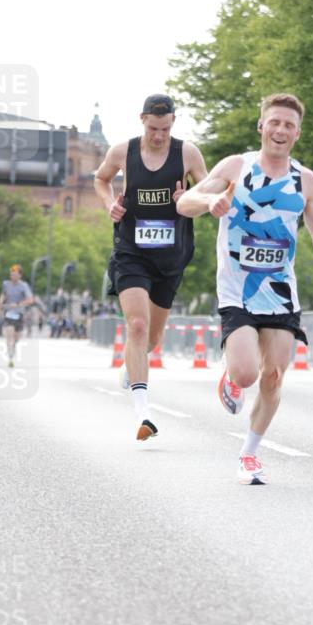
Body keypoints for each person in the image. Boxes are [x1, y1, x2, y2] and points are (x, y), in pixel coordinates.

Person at [177, 92, 313, 485]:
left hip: (280, 292)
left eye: (289, 125)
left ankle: (249, 454)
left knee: (274, 376)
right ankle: (233, 375)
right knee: (248, 374)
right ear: (261, 126)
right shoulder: (236, 166)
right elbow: (186, 202)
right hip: (238, 291)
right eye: (274, 122)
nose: (280, 130)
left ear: (297, 133)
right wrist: (210, 200)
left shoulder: (306, 180)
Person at [94, 93, 207, 441]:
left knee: (152, 339)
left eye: (165, 129)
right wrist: (109, 204)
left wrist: (189, 199)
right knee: (138, 324)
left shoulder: (187, 153)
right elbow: (100, 179)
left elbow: (209, 196)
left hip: (171, 258)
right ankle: (143, 412)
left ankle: (133, 364)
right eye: (153, 128)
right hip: (131, 252)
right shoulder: (122, 152)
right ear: (142, 119)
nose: (159, 136)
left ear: (173, 123)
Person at [0, 264, 33, 367]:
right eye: (11, 274)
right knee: (9, 333)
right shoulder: (6, 284)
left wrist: (18, 304)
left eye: (14, 274)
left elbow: (30, 300)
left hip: (19, 313)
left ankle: (13, 347)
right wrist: (0, 302)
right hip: (9, 313)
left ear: (20, 275)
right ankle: (10, 355)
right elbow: (3, 294)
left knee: (16, 337)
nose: (12, 276)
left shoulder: (24, 286)